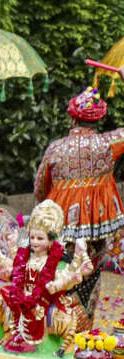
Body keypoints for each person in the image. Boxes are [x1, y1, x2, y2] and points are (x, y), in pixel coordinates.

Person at [33, 86, 124, 320]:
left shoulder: (56, 148)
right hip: (95, 230)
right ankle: (84, 330)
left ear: (73, 118)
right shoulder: (107, 144)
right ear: (98, 119)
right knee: (89, 273)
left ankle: (56, 326)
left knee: (57, 274)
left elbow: (40, 188)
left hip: (59, 229)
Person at [0, 199, 91, 353]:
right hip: (22, 294)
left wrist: (72, 274)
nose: (34, 242)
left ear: (50, 241)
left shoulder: (55, 260)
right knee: (8, 296)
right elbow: (15, 275)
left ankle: (33, 341)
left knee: (37, 308)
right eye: (32, 237)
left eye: (40, 239)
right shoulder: (24, 256)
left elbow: (64, 279)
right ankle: (13, 335)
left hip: (45, 296)